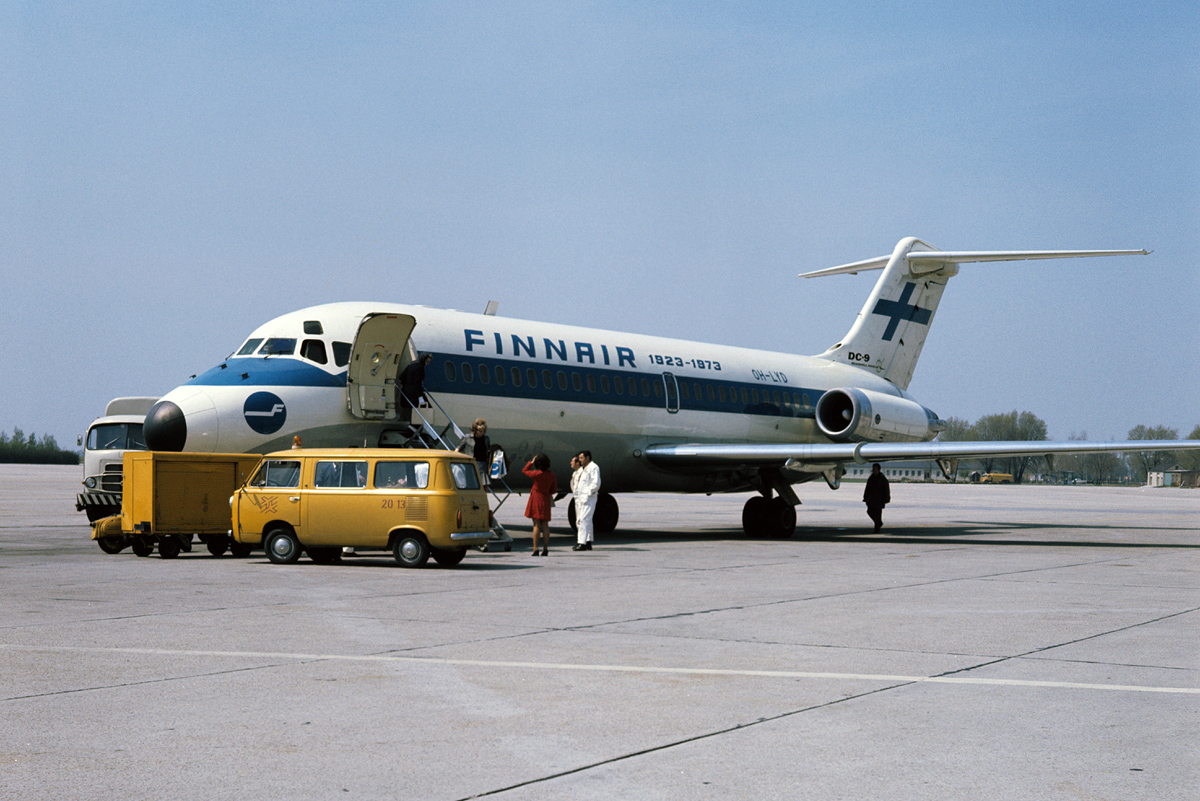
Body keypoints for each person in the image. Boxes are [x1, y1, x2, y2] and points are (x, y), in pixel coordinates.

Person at [522, 453, 558, 556]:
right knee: (545, 526)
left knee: (536, 525)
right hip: (546, 499)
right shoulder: (552, 475)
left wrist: (531, 462)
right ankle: (545, 548)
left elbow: (524, 470)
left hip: (536, 499)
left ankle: (535, 548)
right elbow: (553, 490)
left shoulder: (536, 474)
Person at [573, 450, 600, 551]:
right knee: (587, 521)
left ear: (587, 458)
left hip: (588, 498)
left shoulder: (593, 467)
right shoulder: (584, 469)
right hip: (582, 499)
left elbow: (596, 483)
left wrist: (588, 494)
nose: (579, 460)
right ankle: (588, 541)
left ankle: (582, 543)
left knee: (583, 520)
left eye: (581, 458)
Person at [397, 353, 433, 421]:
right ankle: (417, 427)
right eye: (427, 361)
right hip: (414, 394)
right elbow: (417, 383)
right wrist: (420, 396)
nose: (427, 364)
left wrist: (406, 384)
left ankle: (411, 427)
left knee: (409, 411)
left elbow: (401, 377)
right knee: (426, 409)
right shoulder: (420, 368)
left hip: (405, 392)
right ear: (423, 360)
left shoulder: (410, 365)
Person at [455, 419, 491, 487]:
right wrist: (455, 452)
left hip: (482, 464)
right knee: (472, 483)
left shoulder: (486, 439)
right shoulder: (468, 438)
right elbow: (461, 447)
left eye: (483, 431)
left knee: (485, 484)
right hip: (471, 463)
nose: (482, 433)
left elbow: (489, 450)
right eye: (480, 431)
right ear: (475, 431)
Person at [863, 463, 891, 533]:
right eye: (873, 469)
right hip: (872, 499)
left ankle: (877, 528)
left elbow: (886, 489)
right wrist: (865, 497)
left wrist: (886, 498)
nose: (873, 470)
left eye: (875, 469)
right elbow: (867, 488)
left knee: (878, 514)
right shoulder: (871, 478)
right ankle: (879, 523)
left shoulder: (882, 479)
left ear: (878, 470)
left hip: (879, 499)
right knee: (870, 512)